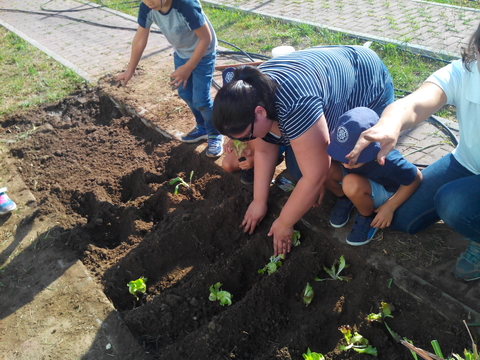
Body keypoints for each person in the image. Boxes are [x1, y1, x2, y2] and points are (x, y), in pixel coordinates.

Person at [212, 45, 394, 256]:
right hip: (326, 80)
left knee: (358, 158)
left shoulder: (296, 105)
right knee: (302, 170)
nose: (246, 143)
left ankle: (359, 199)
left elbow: (315, 175)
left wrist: (284, 222)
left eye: (245, 136)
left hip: (366, 82)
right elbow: (264, 150)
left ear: (260, 112)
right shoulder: (252, 95)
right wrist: (258, 201)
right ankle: (342, 191)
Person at [346, 23, 480, 281]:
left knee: (454, 203)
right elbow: (414, 104)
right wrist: (390, 124)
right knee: (402, 220)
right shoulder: (463, 73)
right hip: (467, 162)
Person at [115, 0, 223, 157]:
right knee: (185, 93)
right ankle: (203, 127)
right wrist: (130, 70)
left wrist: (188, 68)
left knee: (201, 99)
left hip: (204, 53)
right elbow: (140, 39)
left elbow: (206, 39)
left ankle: (215, 133)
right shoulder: (147, 6)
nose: (148, 2)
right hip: (181, 53)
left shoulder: (185, 5)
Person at [325, 107, 422, 246]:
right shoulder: (347, 157)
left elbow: (415, 177)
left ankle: (367, 216)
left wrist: (390, 206)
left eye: (354, 161)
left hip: (383, 188)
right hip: (359, 180)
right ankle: (345, 198)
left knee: (350, 183)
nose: (346, 165)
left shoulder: (388, 160)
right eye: (341, 156)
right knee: (324, 169)